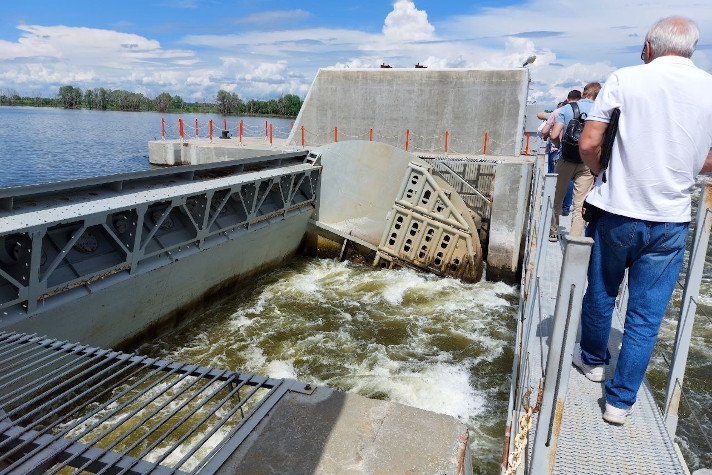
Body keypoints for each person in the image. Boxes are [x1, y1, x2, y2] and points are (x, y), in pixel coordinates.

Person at [575, 16, 712, 425]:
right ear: (690, 49)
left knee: (601, 293)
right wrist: (684, 170)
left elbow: (589, 142)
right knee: (646, 316)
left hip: (618, 210)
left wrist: (603, 174)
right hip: (671, 219)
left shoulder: (626, 78)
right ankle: (620, 403)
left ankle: (594, 362)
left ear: (649, 47)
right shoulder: (708, 86)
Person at [548, 82, 601, 241]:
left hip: (565, 158)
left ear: (584, 93)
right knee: (579, 205)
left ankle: (553, 232)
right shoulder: (600, 111)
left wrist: (559, 146)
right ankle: (574, 238)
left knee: (557, 198)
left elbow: (554, 135)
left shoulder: (566, 108)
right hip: (587, 163)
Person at [541, 90, 581, 215]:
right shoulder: (587, 111)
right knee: (571, 182)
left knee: (555, 181)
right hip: (581, 154)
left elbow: (547, 132)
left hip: (560, 151)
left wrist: (557, 144)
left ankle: (553, 222)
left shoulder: (560, 111)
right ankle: (566, 208)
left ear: (567, 99)